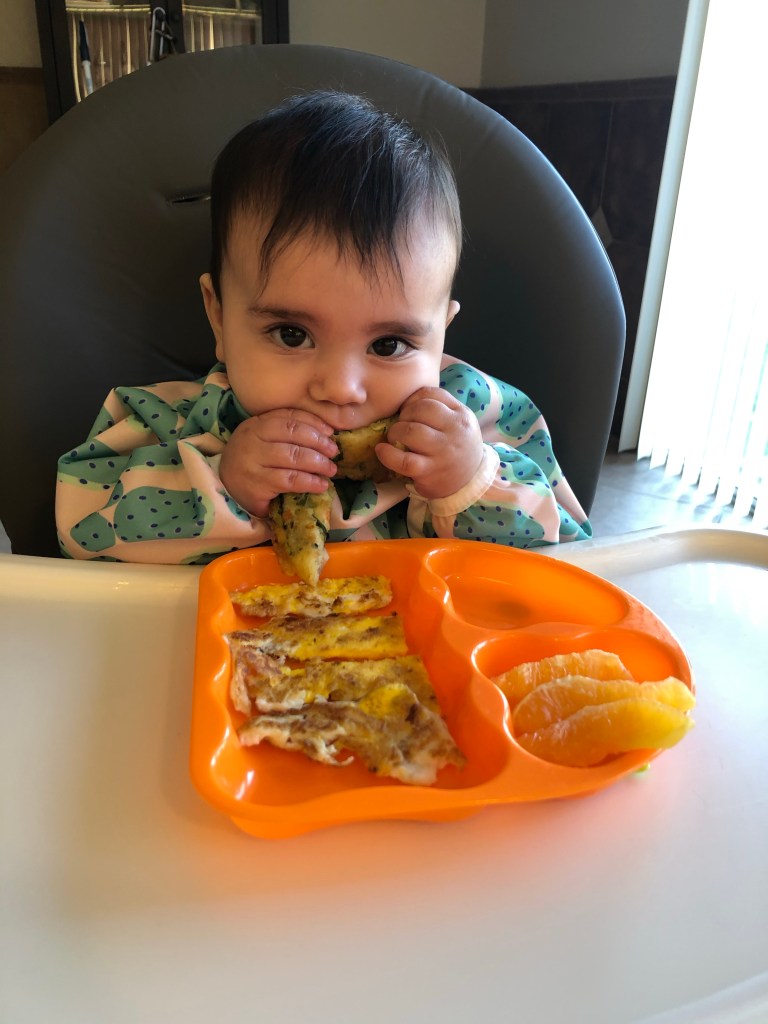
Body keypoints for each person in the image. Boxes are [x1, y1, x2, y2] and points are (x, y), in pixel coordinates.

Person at [56, 90, 591, 564]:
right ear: (218, 315)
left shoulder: (487, 418)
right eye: (291, 334)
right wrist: (222, 486)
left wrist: (470, 481)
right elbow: (78, 535)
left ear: (442, 334)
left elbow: (575, 556)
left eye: (389, 344)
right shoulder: (166, 421)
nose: (340, 389)